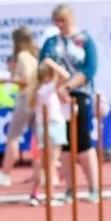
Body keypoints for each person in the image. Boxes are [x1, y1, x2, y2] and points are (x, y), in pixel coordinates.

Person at [39, 5, 100, 200]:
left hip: (79, 94)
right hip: (56, 99)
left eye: (63, 20)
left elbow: (89, 69)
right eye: (56, 21)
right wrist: (57, 88)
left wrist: (68, 86)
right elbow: (42, 66)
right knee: (63, 144)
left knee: (83, 142)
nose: (60, 25)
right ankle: (70, 189)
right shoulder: (51, 42)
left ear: (71, 18)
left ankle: (93, 188)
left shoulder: (84, 40)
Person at [0, 26, 40, 188]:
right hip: (35, 99)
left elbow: (26, 80)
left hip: (26, 98)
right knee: (38, 137)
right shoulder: (34, 55)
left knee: (13, 135)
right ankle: (39, 173)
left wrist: (8, 80)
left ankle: (5, 173)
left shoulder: (23, 56)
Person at [27, 58, 69, 206]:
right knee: (51, 163)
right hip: (53, 126)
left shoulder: (37, 90)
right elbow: (66, 75)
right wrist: (52, 63)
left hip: (42, 127)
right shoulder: (48, 87)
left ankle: (35, 193)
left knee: (43, 163)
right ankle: (50, 195)